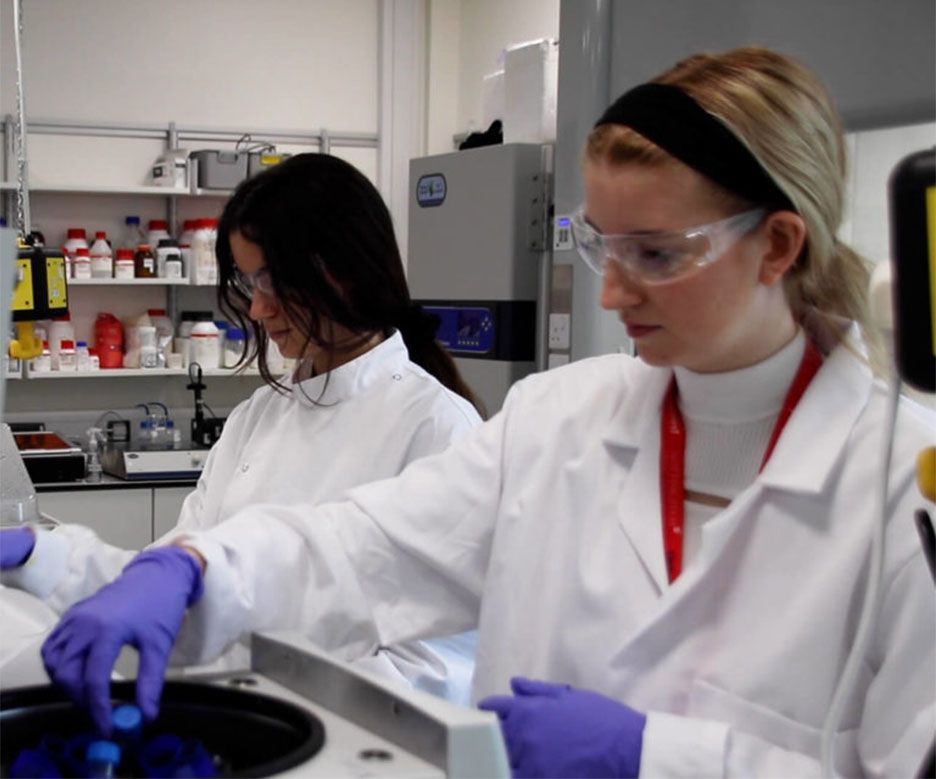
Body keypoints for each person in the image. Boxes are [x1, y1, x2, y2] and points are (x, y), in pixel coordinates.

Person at [36, 48, 935, 776]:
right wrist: (196, 569)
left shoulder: (904, 485)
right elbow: (366, 546)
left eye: (657, 253)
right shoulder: (558, 420)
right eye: (599, 245)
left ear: (778, 244)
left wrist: (657, 757)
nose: (614, 289)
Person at [1, 152, 484, 706]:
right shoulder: (259, 416)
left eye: (273, 281)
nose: (256, 308)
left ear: (345, 270)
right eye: (247, 281)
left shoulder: (436, 427)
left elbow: (437, 676)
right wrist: (51, 561)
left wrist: (238, 653)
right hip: (236, 719)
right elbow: (173, 579)